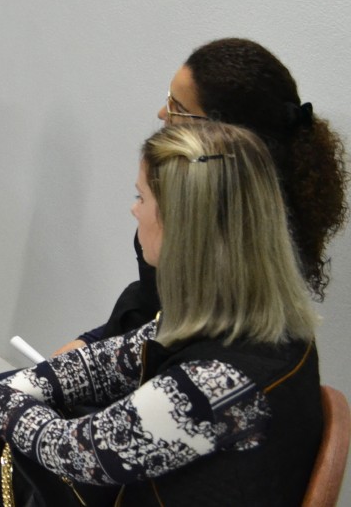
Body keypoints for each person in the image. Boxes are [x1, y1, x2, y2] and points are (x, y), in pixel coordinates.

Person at [0, 122, 323, 506]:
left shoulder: (218, 380)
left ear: (183, 227)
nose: (134, 211)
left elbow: (72, 450)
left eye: (142, 198)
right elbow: (100, 366)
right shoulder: (249, 318)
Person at [59, 38, 348, 355]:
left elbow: (165, 341)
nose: (162, 114)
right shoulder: (186, 208)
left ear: (225, 134)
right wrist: (87, 346)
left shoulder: (239, 273)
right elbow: (149, 311)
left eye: (178, 108)